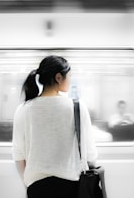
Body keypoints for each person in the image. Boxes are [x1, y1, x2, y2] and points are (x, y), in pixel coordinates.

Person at [12, 55, 98, 198]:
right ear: (58, 77)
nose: (70, 80)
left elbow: (18, 154)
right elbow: (90, 154)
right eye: (69, 75)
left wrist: (28, 185)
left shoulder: (23, 109)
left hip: (37, 189)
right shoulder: (77, 107)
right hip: (72, 188)